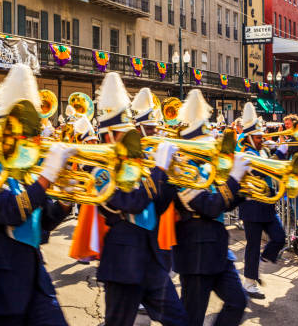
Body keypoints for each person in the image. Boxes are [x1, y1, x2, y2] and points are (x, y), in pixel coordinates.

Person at [0, 64, 75, 326]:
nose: (21, 138)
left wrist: (66, 201)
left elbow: (43, 221)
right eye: (13, 131)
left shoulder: (19, 172)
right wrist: (46, 177)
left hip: (34, 280)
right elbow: (10, 211)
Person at [94, 72, 188, 326]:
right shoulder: (100, 170)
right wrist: (157, 170)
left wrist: (170, 176)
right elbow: (130, 203)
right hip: (123, 264)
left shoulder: (135, 165)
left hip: (151, 258)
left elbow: (154, 206)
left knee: (179, 320)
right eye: (124, 133)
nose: (130, 138)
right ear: (108, 135)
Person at [171, 89, 249, 326]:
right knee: (192, 318)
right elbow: (210, 206)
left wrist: (244, 188)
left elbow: (224, 201)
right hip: (195, 255)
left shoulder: (207, 169)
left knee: (238, 302)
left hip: (218, 251)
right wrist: (234, 180)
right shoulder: (182, 172)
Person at [238, 102, 286, 299]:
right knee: (252, 244)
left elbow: (272, 166)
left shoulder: (262, 151)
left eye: (261, 136)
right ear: (249, 137)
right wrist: (279, 154)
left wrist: (281, 152)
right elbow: (260, 169)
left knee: (279, 237)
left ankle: (265, 256)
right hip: (251, 206)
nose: (261, 140)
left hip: (266, 203)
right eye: (258, 137)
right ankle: (249, 282)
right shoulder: (247, 154)